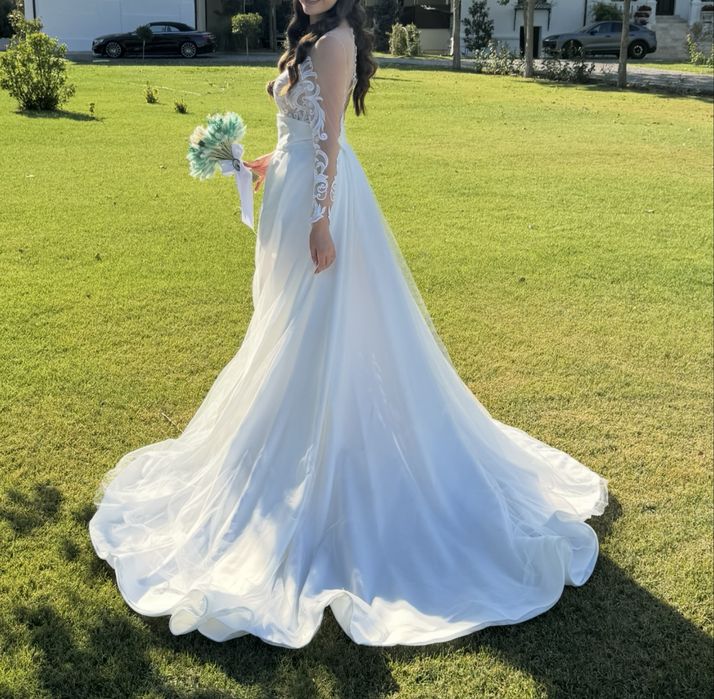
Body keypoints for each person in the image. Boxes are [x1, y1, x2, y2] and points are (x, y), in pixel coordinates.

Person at [88, 0, 609, 648]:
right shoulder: (308, 35)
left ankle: (329, 458)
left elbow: (330, 137)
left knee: (320, 333)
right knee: (287, 331)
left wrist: (320, 222)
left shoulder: (335, 42)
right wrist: (263, 164)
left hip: (322, 205)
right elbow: (299, 132)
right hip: (293, 189)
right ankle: (294, 449)